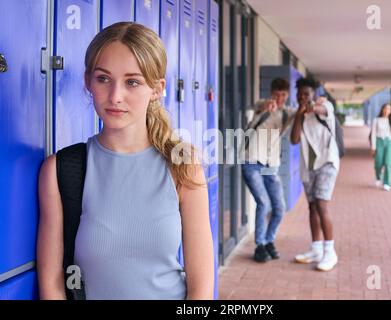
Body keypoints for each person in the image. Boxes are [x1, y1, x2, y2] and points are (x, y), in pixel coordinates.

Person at [37, 22, 214, 300]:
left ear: (157, 88)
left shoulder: (183, 167)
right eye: (103, 79)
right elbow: (52, 282)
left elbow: (201, 288)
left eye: (132, 82)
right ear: (88, 82)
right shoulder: (61, 170)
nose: (115, 97)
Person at [241, 78, 297, 263]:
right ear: (271, 93)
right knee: (263, 203)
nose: (279, 98)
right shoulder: (262, 106)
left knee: (279, 207)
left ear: (287, 95)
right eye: (276, 94)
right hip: (251, 162)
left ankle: (268, 240)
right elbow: (257, 104)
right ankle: (259, 246)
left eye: (283, 95)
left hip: (269, 166)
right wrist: (266, 104)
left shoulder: (287, 114)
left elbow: (301, 114)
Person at [290, 78, 340, 272]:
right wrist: (298, 115)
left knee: (321, 203)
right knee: (312, 207)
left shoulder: (324, 105)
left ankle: (330, 252)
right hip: (309, 167)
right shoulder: (301, 114)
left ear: (314, 95)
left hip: (327, 163)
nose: (303, 98)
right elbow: (294, 140)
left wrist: (311, 106)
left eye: (306, 94)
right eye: (300, 94)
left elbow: (322, 111)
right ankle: (316, 249)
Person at [370, 103, 391, 191]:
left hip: (388, 142)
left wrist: (389, 137)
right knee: (378, 163)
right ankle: (378, 177)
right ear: (382, 109)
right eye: (385, 108)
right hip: (378, 142)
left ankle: (386, 183)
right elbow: (373, 133)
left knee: (388, 163)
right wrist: (373, 147)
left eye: (389, 109)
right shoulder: (376, 120)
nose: (387, 110)